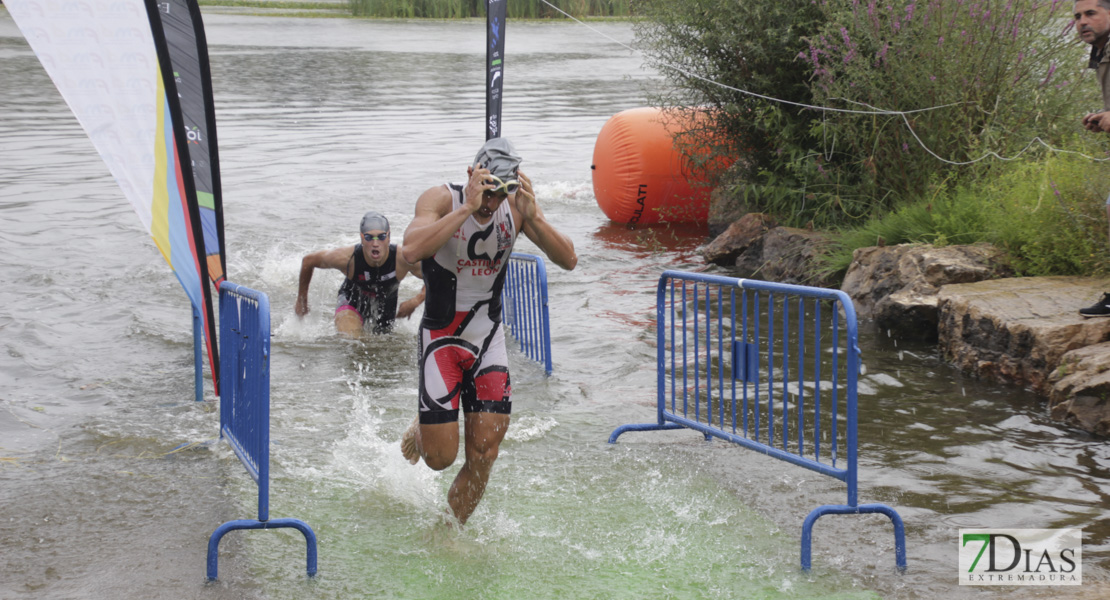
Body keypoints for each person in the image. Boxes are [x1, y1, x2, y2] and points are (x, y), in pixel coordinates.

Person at [398, 138, 577, 526]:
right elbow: (411, 250)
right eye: (489, 191)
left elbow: (569, 261)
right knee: (439, 459)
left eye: (503, 193)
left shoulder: (516, 208)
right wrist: (466, 208)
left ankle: (450, 529)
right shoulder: (442, 199)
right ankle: (423, 425)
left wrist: (536, 217)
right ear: (472, 175)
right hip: (441, 341)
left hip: (487, 339)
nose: (493, 203)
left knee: (484, 454)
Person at [295, 211, 425, 336]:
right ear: (362, 238)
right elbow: (309, 261)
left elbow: (435, 276)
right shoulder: (347, 258)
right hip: (351, 302)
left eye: (381, 237)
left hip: (386, 309)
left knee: (382, 345)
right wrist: (302, 300)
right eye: (369, 237)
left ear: (388, 237)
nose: (375, 244)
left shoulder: (402, 259)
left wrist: (416, 301)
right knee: (350, 339)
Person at [1077, 0, 1110, 317]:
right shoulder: (1102, 53)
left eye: (1091, 13)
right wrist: (1103, 118)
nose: (1082, 21)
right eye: (1077, 16)